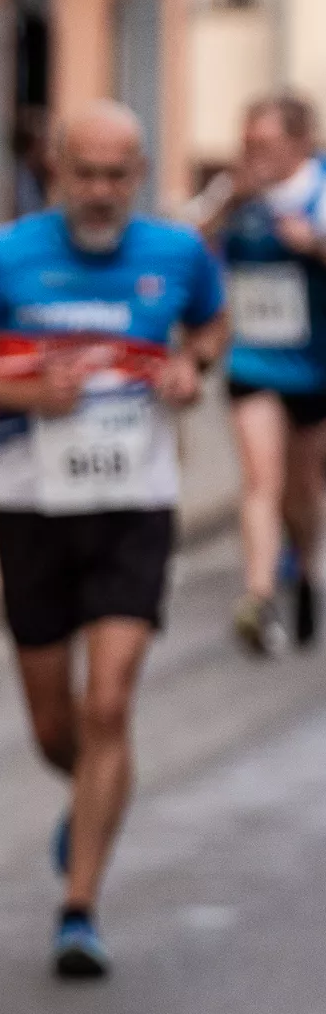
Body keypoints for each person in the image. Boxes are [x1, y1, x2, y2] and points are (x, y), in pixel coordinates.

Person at [0, 100, 225, 980]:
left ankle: (79, 905)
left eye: (117, 174)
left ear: (139, 173)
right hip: (30, 504)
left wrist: (190, 364)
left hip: (137, 500)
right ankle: (91, 796)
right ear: (56, 170)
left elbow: (212, 324)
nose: (100, 191)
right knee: (56, 724)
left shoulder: (178, 253)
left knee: (109, 704)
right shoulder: (5, 257)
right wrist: (22, 399)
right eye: (84, 172)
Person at [198, 92, 326, 653]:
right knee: (260, 481)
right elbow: (187, 251)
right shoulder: (234, 193)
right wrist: (224, 209)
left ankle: (305, 570)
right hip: (252, 359)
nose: (254, 155)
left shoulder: (320, 192)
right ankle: (259, 592)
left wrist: (315, 246)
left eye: (266, 144)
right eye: (248, 143)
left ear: (301, 143)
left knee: (301, 490)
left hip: (317, 366)